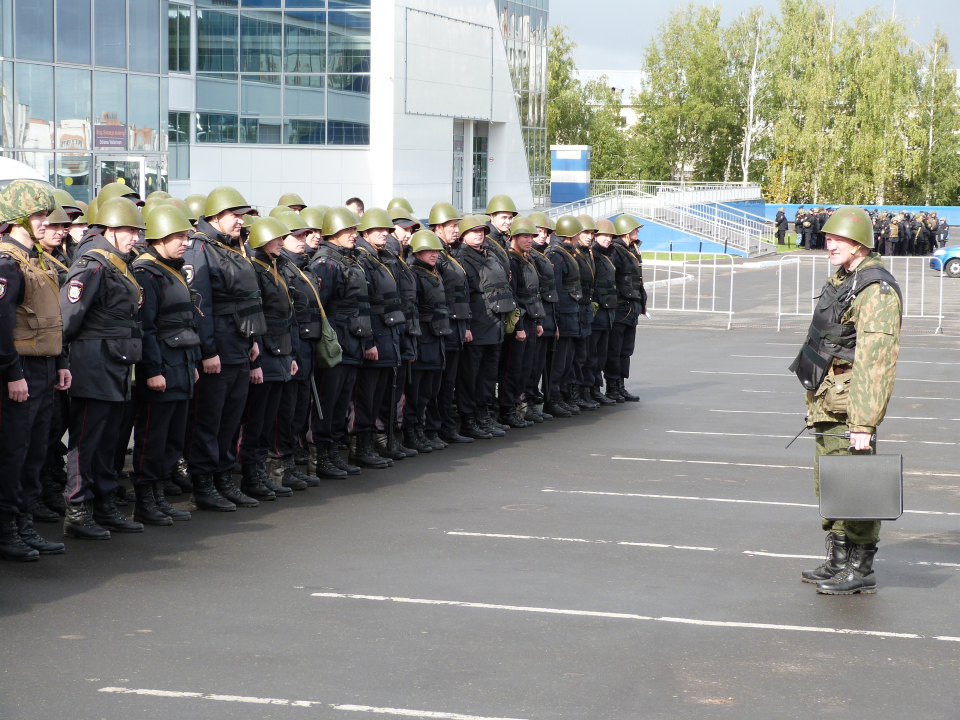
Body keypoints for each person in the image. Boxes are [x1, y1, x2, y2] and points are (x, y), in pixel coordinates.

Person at [790, 206, 902, 595]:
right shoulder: (844, 280)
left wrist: (863, 423)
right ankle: (839, 559)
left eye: (837, 239)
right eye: (828, 238)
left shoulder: (876, 290)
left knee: (857, 486)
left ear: (860, 243)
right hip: (827, 399)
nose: (829, 244)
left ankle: (861, 567)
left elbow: (876, 360)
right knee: (832, 482)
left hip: (851, 404)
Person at [60, 197, 146, 539]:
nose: (135, 238)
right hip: (93, 362)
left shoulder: (116, 263)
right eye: (129, 231)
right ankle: (78, 510)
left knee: (110, 439)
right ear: (110, 228)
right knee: (86, 439)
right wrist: (61, 361)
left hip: (116, 362)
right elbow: (68, 319)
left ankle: (105, 503)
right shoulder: (92, 264)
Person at [182, 187, 267, 512]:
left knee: (231, 419)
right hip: (217, 348)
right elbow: (199, 304)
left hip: (238, 346)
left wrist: (252, 340)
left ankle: (223, 479)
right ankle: (204, 484)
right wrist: (208, 351)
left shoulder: (231, 247)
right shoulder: (200, 248)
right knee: (209, 420)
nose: (240, 221)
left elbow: (246, 300)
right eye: (235, 215)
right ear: (216, 215)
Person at [0, 181, 69, 560]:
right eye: (39, 215)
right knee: (15, 450)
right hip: (21, 368)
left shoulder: (35, 259)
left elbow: (50, 317)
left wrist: (60, 362)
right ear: (17, 218)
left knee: (35, 451)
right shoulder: (7, 262)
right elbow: (2, 324)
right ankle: (8, 528)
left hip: (42, 366)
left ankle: (23, 523)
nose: (46, 222)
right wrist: (12, 373)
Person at [129, 204, 199, 525]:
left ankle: (158, 495)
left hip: (181, 365)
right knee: (152, 437)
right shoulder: (147, 272)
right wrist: (153, 371)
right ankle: (145, 499)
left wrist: (192, 363)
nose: (186, 242)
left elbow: (186, 324)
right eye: (180, 236)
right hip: (161, 368)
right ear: (160, 237)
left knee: (171, 437)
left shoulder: (172, 268)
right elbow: (147, 328)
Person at [238, 216, 304, 498]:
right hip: (264, 356)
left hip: (280, 353)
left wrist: (291, 353)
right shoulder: (255, 269)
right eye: (277, 238)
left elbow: (286, 317)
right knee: (256, 420)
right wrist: (256, 362)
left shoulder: (273, 267)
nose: (282, 242)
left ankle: (260, 473)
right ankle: (251, 476)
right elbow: (255, 318)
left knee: (268, 420)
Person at [272, 212, 341, 481]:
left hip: (307, 345)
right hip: (293, 346)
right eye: (296, 236)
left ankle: (290, 463)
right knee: (286, 410)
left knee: (300, 408)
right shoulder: (282, 267)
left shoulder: (302, 265)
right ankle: (280, 467)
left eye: (304, 235)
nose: (304, 240)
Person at [309, 207, 367, 477]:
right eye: (348, 231)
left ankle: (332, 452)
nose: (354, 235)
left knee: (341, 401)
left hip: (351, 338)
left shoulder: (347, 259)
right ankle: (321, 456)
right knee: (328, 399)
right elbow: (320, 306)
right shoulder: (326, 262)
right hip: (335, 341)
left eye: (355, 230)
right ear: (333, 233)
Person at [352, 209, 404, 468]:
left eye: (387, 230)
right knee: (366, 397)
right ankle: (361, 446)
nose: (385, 234)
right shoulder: (363, 260)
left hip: (388, 335)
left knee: (379, 395)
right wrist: (369, 341)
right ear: (365, 233)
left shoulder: (384, 258)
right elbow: (364, 306)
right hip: (374, 337)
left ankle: (371, 443)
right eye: (378, 230)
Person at [456, 214, 517, 438]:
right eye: (474, 231)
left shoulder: (490, 254)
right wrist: (466, 326)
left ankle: (483, 416)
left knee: (488, 376)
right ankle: (469, 420)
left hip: (494, 323)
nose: (479, 234)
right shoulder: (461, 258)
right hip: (476, 324)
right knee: (470, 377)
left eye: (482, 231)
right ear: (463, 235)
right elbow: (462, 295)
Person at [426, 213, 474, 444]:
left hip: (455, 326)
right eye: (451, 226)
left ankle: (445, 427)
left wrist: (465, 325)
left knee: (448, 382)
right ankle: (434, 429)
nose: (457, 230)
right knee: (437, 383)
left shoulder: (451, 254)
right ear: (437, 229)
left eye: (457, 226)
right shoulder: (437, 257)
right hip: (442, 328)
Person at [403, 230, 451, 451]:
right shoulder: (414, 274)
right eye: (429, 251)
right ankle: (412, 432)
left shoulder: (433, 273)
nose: (434, 255)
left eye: (436, 251)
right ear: (418, 252)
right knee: (417, 391)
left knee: (430, 390)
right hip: (423, 339)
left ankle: (422, 430)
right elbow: (412, 308)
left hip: (437, 337)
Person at [498, 217, 543, 428]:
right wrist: (519, 327)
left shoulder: (527, 259)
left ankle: (518, 405)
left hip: (531, 319)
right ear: (513, 238)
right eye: (524, 236)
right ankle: (507, 409)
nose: (529, 240)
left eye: (531, 236)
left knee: (526, 368)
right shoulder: (512, 261)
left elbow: (533, 293)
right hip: (520, 323)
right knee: (512, 369)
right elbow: (514, 296)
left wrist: (538, 321)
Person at [545, 216, 584, 417]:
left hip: (570, 315)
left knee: (567, 360)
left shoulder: (567, 253)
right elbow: (556, 290)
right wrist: (557, 321)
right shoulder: (556, 255)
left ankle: (561, 394)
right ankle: (553, 397)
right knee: (558, 361)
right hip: (563, 316)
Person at [605, 214, 645, 403]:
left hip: (632, 305)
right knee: (615, 349)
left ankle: (620, 386)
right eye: (634, 229)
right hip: (621, 306)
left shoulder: (632, 249)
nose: (637, 232)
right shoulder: (615, 251)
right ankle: (612, 387)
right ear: (625, 231)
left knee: (625, 350)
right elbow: (613, 278)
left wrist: (641, 301)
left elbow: (637, 279)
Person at [524, 212, 560, 420]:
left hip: (545, 316)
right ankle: (527, 401)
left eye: (545, 232)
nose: (541, 235)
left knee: (537, 364)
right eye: (537, 231)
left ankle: (532, 399)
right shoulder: (530, 257)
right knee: (529, 364)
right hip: (534, 315)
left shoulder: (543, 255)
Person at [586, 218, 618, 406]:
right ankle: (589, 389)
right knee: (592, 355)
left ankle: (595, 388)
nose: (607, 239)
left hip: (607, 311)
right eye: (603, 235)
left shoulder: (607, 255)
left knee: (601, 355)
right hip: (597, 311)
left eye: (610, 236)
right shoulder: (593, 255)